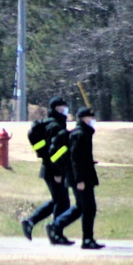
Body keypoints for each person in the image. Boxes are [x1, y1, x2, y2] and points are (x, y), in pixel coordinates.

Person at [21, 96, 74, 245]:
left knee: (58, 201)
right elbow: (52, 152)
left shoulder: (55, 124)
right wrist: (57, 172)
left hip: (53, 170)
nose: (64, 112)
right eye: (61, 109)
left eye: (65, 109)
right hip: (53, 171)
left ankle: (31, 222)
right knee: (62, 202)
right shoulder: (54, 126)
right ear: (54, 109)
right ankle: (55, 233)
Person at [49, 107, 104, 250]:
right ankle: (87, 240)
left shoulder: (84, 133)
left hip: (82, 177)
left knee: (81, 207)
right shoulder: (80, 135)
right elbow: (75, 159)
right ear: (85, 119)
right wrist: (80, 180)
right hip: (80, 178)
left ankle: (56, 225)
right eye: (90, 118)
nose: (92, 120)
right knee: (89, 208)